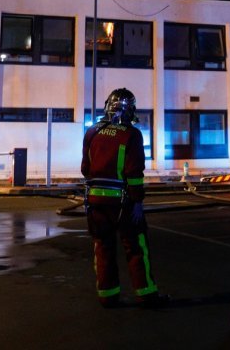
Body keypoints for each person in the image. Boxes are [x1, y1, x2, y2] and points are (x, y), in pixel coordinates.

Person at [81, 88, 168, 309]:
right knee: (136, 247)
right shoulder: (131, 134)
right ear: (130, 110)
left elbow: (85, 169)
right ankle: (146, 294)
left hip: (95, 202)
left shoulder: (91, 132)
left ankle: (107, 295)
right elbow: (134, 172)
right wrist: (138, 201)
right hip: (124, 202)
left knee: (103, 246)